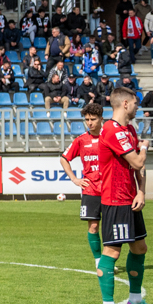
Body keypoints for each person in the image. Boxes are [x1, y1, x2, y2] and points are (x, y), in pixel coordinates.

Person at [94, 86, 153, 304]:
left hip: (131, 198)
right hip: (115, 199)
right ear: (124, 104)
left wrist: (141, 192)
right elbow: (138, 161)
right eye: (135, 103)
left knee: (140, 248)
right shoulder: (111, 130)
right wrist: (144, 147)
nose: (137, 107)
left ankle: (135, 301)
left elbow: (139, 168)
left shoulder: (129, 129)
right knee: (112, 251)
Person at [61, 103, 107, 268]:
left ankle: (108, 260)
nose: (90, 123)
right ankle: (98, 260)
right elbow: (64, 159)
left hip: (109, 189)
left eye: (93, 119)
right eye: (87, 119)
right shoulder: (81, 140)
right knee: (93, 226)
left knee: (110, 228)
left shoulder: (109, 138)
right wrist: (75, 179)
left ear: (101, 119)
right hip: (90, 189)